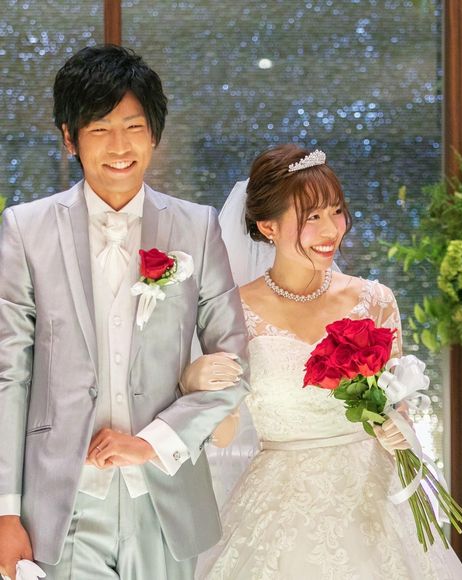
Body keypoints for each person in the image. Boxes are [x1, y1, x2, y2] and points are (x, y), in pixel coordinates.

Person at [0, 45, 249, 580]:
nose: (119, 147)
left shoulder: (196, 228)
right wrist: (5, 509)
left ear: (154, 134)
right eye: (100, 129)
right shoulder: (25, 229)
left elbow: (234, 364)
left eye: (134, 127)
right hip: (60, 508)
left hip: (165, 502)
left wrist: (152, 442)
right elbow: (9, 374)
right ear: (69, 137)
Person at [191, 144, 462, 578]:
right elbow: (224, 434)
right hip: (279, 503)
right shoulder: (233, 311)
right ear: (267, 226)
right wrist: (195, 382)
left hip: (373, 499)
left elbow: (397, 409)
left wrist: (398, 430)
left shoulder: (375, 300)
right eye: (312, 217)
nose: (330, 230)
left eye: (336, 211)